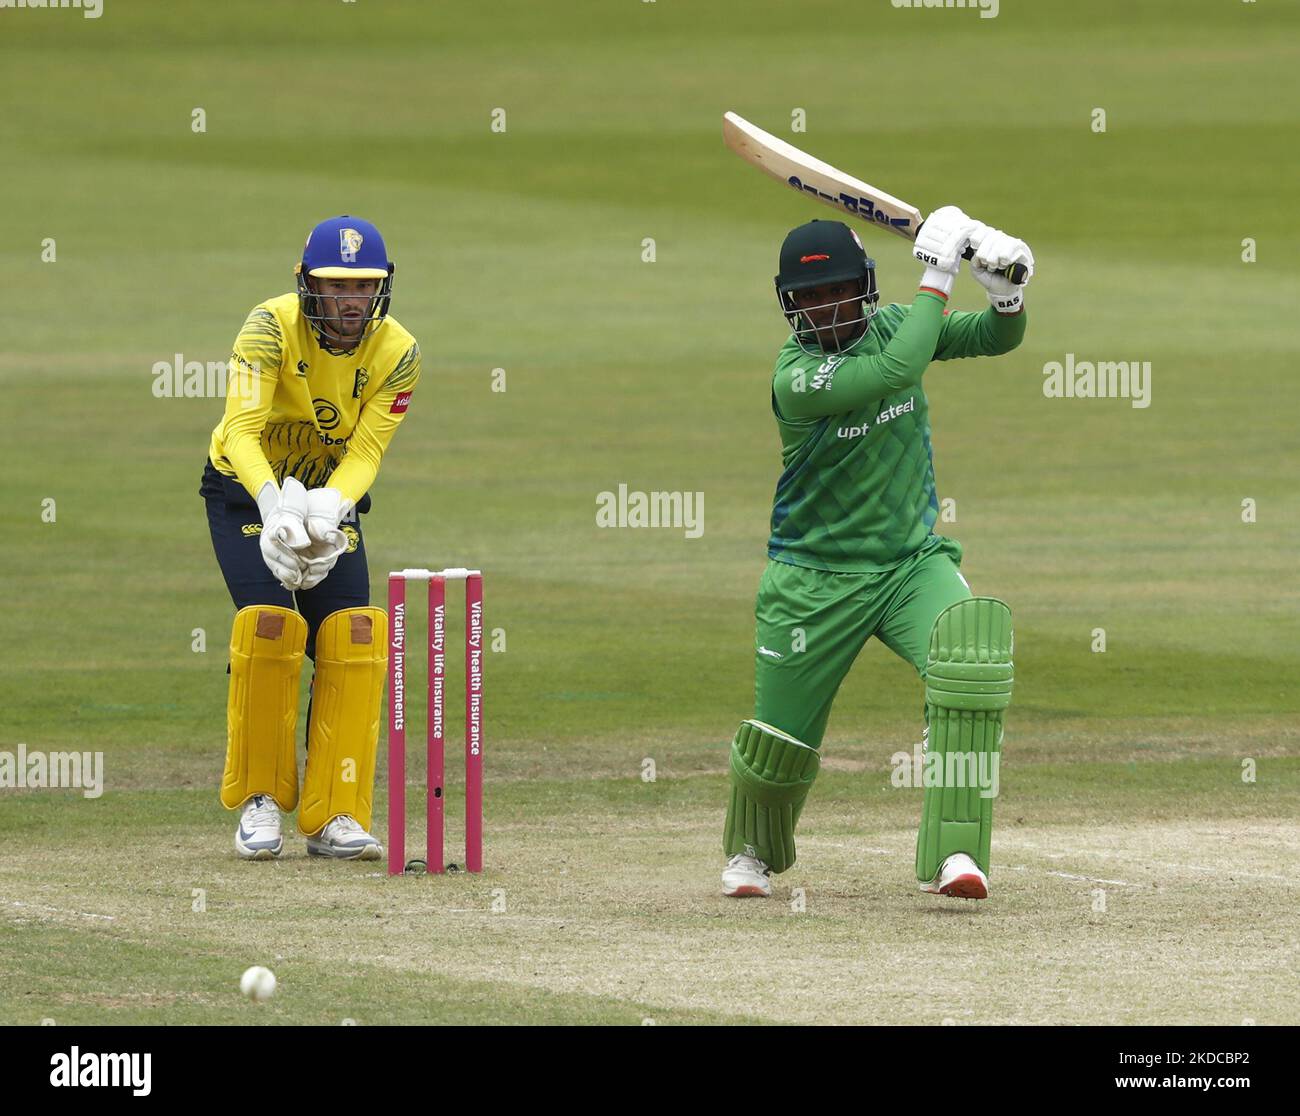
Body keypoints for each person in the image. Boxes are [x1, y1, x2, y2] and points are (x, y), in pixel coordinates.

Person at [721, 208, 1032, 900]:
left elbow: (994, 339)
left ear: (864, 287)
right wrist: (939, 271)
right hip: (812, 579)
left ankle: (957, 853)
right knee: (781, 741)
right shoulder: (796, 377)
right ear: (788, 307)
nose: (823, 309)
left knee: (970, 658)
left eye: (836, 292)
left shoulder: (898, 324)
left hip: (907, 566)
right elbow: (896, 370)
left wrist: (1005, 292)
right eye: (807, 298)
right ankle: (752, 852)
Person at [200, 215, 421, 861]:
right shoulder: (268, 326)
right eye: (337, 285)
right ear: (308, 285)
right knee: (269, 625)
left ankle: (337, 812)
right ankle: (261, 800)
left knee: (352, 633)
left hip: (327, 498)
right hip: (246, 491)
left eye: (364, 286)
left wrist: (330, 509)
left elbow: (369, 448)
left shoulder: (399, 351)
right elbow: (241, 429)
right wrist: (272, 505)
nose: (352, 299)